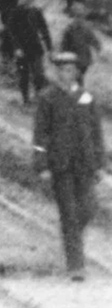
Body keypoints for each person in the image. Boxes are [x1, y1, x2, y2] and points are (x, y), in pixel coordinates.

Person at [31, 52, 105, 281]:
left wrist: (100, 164)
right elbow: (40, 134)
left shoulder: (87, 97)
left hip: (85, 164)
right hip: (60, 164)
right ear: (56, 73)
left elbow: (96, 133)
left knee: (88, 209)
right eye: (62, 70)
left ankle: (71, 240)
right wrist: (41, 164)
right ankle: (76, 265)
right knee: (69, 214)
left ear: (77, 73)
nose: (67, 74)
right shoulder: (47, 98)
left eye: (71, 70)